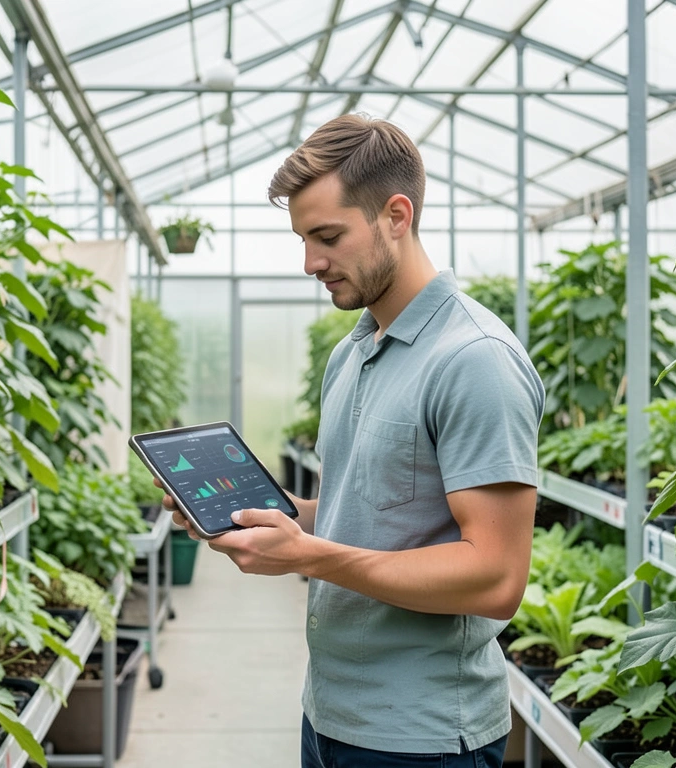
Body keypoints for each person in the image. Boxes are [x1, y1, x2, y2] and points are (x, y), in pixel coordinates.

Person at [156, 114, 545, 768]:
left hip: (421, 738)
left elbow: (496, 577)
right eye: (303, 239)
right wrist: (270, 515)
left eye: (327, 236)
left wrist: (308, 555)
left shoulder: (474, 359)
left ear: (397, 215)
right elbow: (365, 515)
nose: (310, 262)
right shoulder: (354, 351)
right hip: (330, 713)